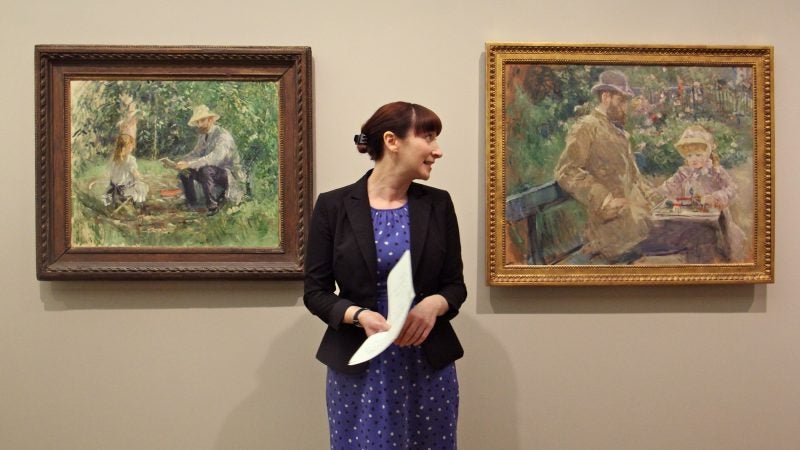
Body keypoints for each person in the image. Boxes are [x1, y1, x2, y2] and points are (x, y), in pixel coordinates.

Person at [304, 101, 467, 449]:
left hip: (427, 363)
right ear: (392, 141)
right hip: (360, 365)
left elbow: (455, 286)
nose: (438, 150)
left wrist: (433, 306)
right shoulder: (333, 207)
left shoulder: (439, 205)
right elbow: (315, 292)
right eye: (428, 137)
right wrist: (358, 315)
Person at [554, 69, 656, 262]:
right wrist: (603, 197)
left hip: (636, 222)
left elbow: (633, 177)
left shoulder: (619, 133)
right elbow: (566, 171)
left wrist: (654, 196)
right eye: (621, 101)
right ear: (606, 97)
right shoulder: (587, 127)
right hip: (610, 231)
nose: (625, 108)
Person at [657, 125, 748, 261]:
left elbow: (732, 188)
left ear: (707, 154)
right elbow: (669, 185)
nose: (693, 159)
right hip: (693, 216)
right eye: (689, 155)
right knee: (688, 236)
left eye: (698, 155)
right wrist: (657, 192)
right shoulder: (684, 172)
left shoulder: (715, 171)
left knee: (717, 246)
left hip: (714, 218)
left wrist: (716, 196)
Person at [175, 105, 246, 216]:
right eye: (197, 122)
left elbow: (215, 159)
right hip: (212, 171)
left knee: (205, 170)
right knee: (185, 172)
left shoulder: (223, 136)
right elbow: (195, 153)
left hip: (228, 174)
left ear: (211, 120)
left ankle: (212, 206)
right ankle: (192, 203)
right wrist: (181, 162)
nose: (199, 125)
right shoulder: (204, 136)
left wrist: (189, 163)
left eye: (202, 121)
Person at [103, 133, 149, 208]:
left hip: (113, 188)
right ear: (127, 147)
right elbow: (136, 175)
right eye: (131, 146)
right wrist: (141, 177)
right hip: (125, 190)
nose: (132, 148)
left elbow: (108, 173)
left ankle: (111, 204)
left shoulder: (113, 159)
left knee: (112, 186)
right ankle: (137, 204)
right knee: (142, 186)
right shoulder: (130, 160)